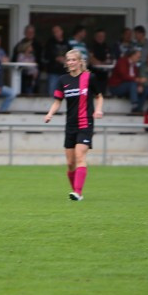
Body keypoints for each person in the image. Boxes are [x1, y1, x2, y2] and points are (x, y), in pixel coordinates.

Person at [44, 49, 104, 201]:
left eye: (73, 60)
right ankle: (75, 191)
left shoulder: (89, 77)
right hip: (70, 125)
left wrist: (98, 110)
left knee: (80, 156)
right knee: (70, 163)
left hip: (85, 123)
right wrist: (50, 113)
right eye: (68, 60)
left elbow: (99, 96)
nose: (70, 62)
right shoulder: (63, 80)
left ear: (79, 62)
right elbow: (58, 101)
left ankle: (78, 192)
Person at [107, 47, 142, 113]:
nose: (138, 59)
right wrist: (137, 80)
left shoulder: (134, 66)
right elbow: (124, 76)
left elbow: (136, 77)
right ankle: (135, 106)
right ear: (132, 55)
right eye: (138, 57)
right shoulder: (122, 62)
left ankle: (139, 106)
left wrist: (139, 85)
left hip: (127, 87)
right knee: (132, 84)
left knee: (141, 87)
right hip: (116, 87)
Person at [44, 25, 69, 97]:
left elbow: (71, 53)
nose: (56, 33)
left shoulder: (66, 42)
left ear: (62, 31)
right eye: (54, 32)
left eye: (57, 31)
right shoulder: (50, 42)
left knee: (65, 93)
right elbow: (46, 56)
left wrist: (65, 59)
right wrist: (56, 58)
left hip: (64, 71)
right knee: (52, 92)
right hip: (53, 71)